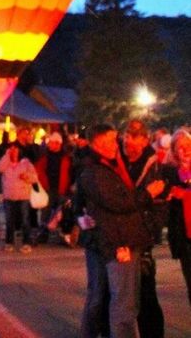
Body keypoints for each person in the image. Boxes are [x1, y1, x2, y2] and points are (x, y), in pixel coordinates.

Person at [78, 123, 164, 338]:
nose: (116, 146)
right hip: (118, 243)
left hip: (118, 239)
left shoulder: (115, 163)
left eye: (115, 141)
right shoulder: (96, 169)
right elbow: (116, 203)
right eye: (110, 141)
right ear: (94, 143)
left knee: (108, 299)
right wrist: (148, 194)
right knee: (122, 304)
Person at [117, 119, 166, 338]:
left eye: (135, 136)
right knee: (119, 294)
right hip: (118, 236)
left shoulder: (154, 165)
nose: (129, 141)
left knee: (146, 294)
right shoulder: (116, 161)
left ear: (146, 140)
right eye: (127, 135)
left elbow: (159, 204)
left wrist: (148, 233)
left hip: (140, 237)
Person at [162, 127, 191, 305]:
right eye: (179, 146)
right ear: (173, 150)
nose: (185, 149)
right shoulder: (169, 172)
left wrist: (186, 194)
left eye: (188, 145)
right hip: (184, 235)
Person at [0, 135, 39, 253]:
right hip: (9, 196)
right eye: (12, 150)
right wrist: (7, 156)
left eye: (16, 150)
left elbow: (35, 178)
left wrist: (27, 177)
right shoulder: (5, 164)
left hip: (23, 196)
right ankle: (9, 242)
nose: (14, 152)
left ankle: (26, 242)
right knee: (9, 220)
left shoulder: (26, 163)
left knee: (25, 220)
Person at [36, 132, 72, 243]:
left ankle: (63, 234)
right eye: (50, 143)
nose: (51, 145)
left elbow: (71, 173)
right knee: (45, 212)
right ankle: (43, 233)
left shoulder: (66, 158)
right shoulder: (45, 157)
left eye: (53, 143)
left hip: (62, 189)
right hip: (48, 189)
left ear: (59, 144)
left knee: (61, 213)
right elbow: (38, 170)